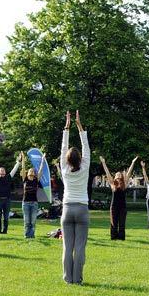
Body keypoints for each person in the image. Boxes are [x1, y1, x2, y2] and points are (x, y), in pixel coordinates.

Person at [60, 110, 90, 284]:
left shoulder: (64, 168)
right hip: (82, 209)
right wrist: (80, 127)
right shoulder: (85, 166)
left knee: (67, 246)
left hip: (67, 209)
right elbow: (86, 146)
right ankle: (77, 279)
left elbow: (64, 147)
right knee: (79, 248)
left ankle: (68, 278)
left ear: (67, 159)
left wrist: (67, 127)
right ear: (80, 158)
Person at [100, 155, 138, 239]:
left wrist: (133, 162)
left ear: (121, 176)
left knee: (122, 223)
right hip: (114, 206)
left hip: (122, 207)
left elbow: (129, 172)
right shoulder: (112, 183)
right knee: (113, 223)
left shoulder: (124, 183)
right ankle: (113, 237)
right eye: (116, 174)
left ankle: (121, 237)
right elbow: (107, 172)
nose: (118, 174)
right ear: (115, 177)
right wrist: (103, 162)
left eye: (119, 174)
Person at [20, 151, 46, 238]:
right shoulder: (25, 179)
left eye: (32, 170)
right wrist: (23, 158)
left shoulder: (36, 180)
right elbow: (23, 168)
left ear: (34, 173)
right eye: (30, 170)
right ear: (27, 173)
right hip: (26, 203)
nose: (31, 171)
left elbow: (41, 170)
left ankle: (32, 235)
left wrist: (43, 159)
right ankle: (27, 235)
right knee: (27, 221)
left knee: (33, 221)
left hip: (34, 203)